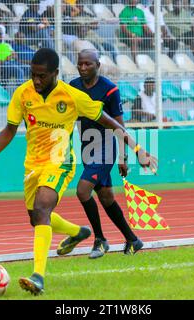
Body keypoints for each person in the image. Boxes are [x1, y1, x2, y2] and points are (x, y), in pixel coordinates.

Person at [0, 48, 157, 295]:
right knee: (35, 218)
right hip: (32, 164)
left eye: (42, 76)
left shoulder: (71, 95)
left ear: (56, 73)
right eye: (33, 75)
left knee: (42, 208)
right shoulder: (22, 93)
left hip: (60, 162)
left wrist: (138, 150)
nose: (37, 81)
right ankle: (77, 232)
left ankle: (38, 276)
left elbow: (111, 122)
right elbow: (10, 129)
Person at [70, 49, 143, 259]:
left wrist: (123, 157)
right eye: (80, 64)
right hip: (87, 147)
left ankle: (100, 240)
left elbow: (119, 125)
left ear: (97, 65)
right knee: (106, 197)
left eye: (88, 64)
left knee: (83, 191)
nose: (83, 68)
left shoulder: (110, 90)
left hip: (105, 147)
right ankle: (132, 239)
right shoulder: (73, 87)